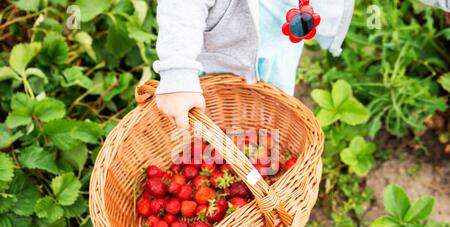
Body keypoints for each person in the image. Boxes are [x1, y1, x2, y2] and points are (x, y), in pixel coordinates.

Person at [152, 0, 449, 129]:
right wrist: (178, 72)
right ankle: (207, 164)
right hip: (216, 58)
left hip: (281, 50)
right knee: (202, 122)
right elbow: (182, 6)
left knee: (270, 112)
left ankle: (253, 174)